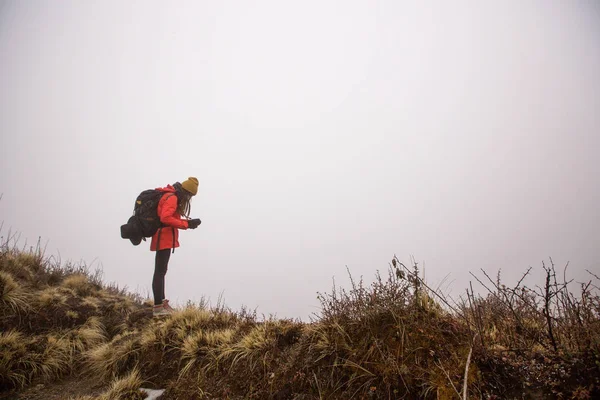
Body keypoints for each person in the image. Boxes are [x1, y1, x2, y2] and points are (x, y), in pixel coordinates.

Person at [151, 177, 201, 316]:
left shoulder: (172, 196)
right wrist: (187, 224)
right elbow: (165, 218)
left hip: (164, 236)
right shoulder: (172, 198)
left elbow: (169, 217)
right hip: (163, 236)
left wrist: (188, 223)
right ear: (187, 192)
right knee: (160, 271)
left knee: (161, 270)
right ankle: (158, 307)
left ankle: (161, 302)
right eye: (190, 195)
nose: (189, 199)